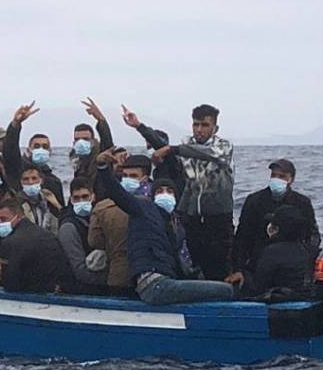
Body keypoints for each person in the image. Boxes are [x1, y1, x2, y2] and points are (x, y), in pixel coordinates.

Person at [95, 151, 235, 306]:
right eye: (159, 191)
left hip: (168, 280)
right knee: (226, 290)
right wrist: (103, 167)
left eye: (169, 191)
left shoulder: (174, 224)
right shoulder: (143, 208)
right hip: (153, 283)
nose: (165, 194)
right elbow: (117, 193)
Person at [123, 103, 234, 280]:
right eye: (196, 124)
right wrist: (139, 126)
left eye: (205, 125)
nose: (199, 130)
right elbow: (164, 148)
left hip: (218, 219)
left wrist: (172, 149)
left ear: (215, 128)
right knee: (189, 267)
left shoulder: (224, 146)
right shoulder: (185, 145)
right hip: (190, 217)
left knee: (219, 268)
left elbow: (202, 152)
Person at [232, 158, 320, 276]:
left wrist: (305, 259)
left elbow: (312, 234)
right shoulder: (255, 200)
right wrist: (238, 269)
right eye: (273, 175)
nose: (276, 179)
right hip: (259, 261)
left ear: (291, 179)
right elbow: (243, 236)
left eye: (282, 176)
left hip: (291, 262)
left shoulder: (302, 202)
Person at [88, 154, 151, 291]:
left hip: (120, 274)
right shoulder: (155, 204)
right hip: (148, 274)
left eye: (133, 176)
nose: (128, 180)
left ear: (144, 178)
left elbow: (95, 241)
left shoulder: (103, 207)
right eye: (125, 176)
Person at [228, 205, 314, 299]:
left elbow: (258, 286)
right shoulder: (308, 250)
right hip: (301, 297)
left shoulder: (272, 251)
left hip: (275, 300)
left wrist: (244, 276)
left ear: (277, 229)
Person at [0, 198, 71, 294]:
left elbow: (10, 282)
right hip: (54, 291)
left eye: (3, 219)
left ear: (18, 216)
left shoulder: (9, 243)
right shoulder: (47, 235)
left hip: (27, 295)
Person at [4, 101, 64, 207]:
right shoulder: (17, 170)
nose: (41, 149)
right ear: (28, 150)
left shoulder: (54, 182)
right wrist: (15, 125)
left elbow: (60, 210)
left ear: (50, 152)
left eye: (45, 147)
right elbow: (10, 151)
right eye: (36, 146)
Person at [56, 178, 108, 290]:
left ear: (93, 197)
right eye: (76, 198)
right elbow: (79, 270)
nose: (81, 201)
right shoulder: (68, 227)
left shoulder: (97, 219)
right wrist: (109, 279)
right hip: (79, 288)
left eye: (85, 197)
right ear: (71, 200)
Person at [69, 97, 115, 185]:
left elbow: (107, 142)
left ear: (93, 141)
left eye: (85, 139)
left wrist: (101, 119)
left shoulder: (100, 153)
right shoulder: (74, 158)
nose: (81, 142)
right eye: (77, 139)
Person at [17, 164, 61, 231]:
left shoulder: (48, 199)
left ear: (41, 180)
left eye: (34, 178)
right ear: (21, 182)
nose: (30, 182)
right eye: (26, 179)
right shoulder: (17, 202)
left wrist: (57, 205)